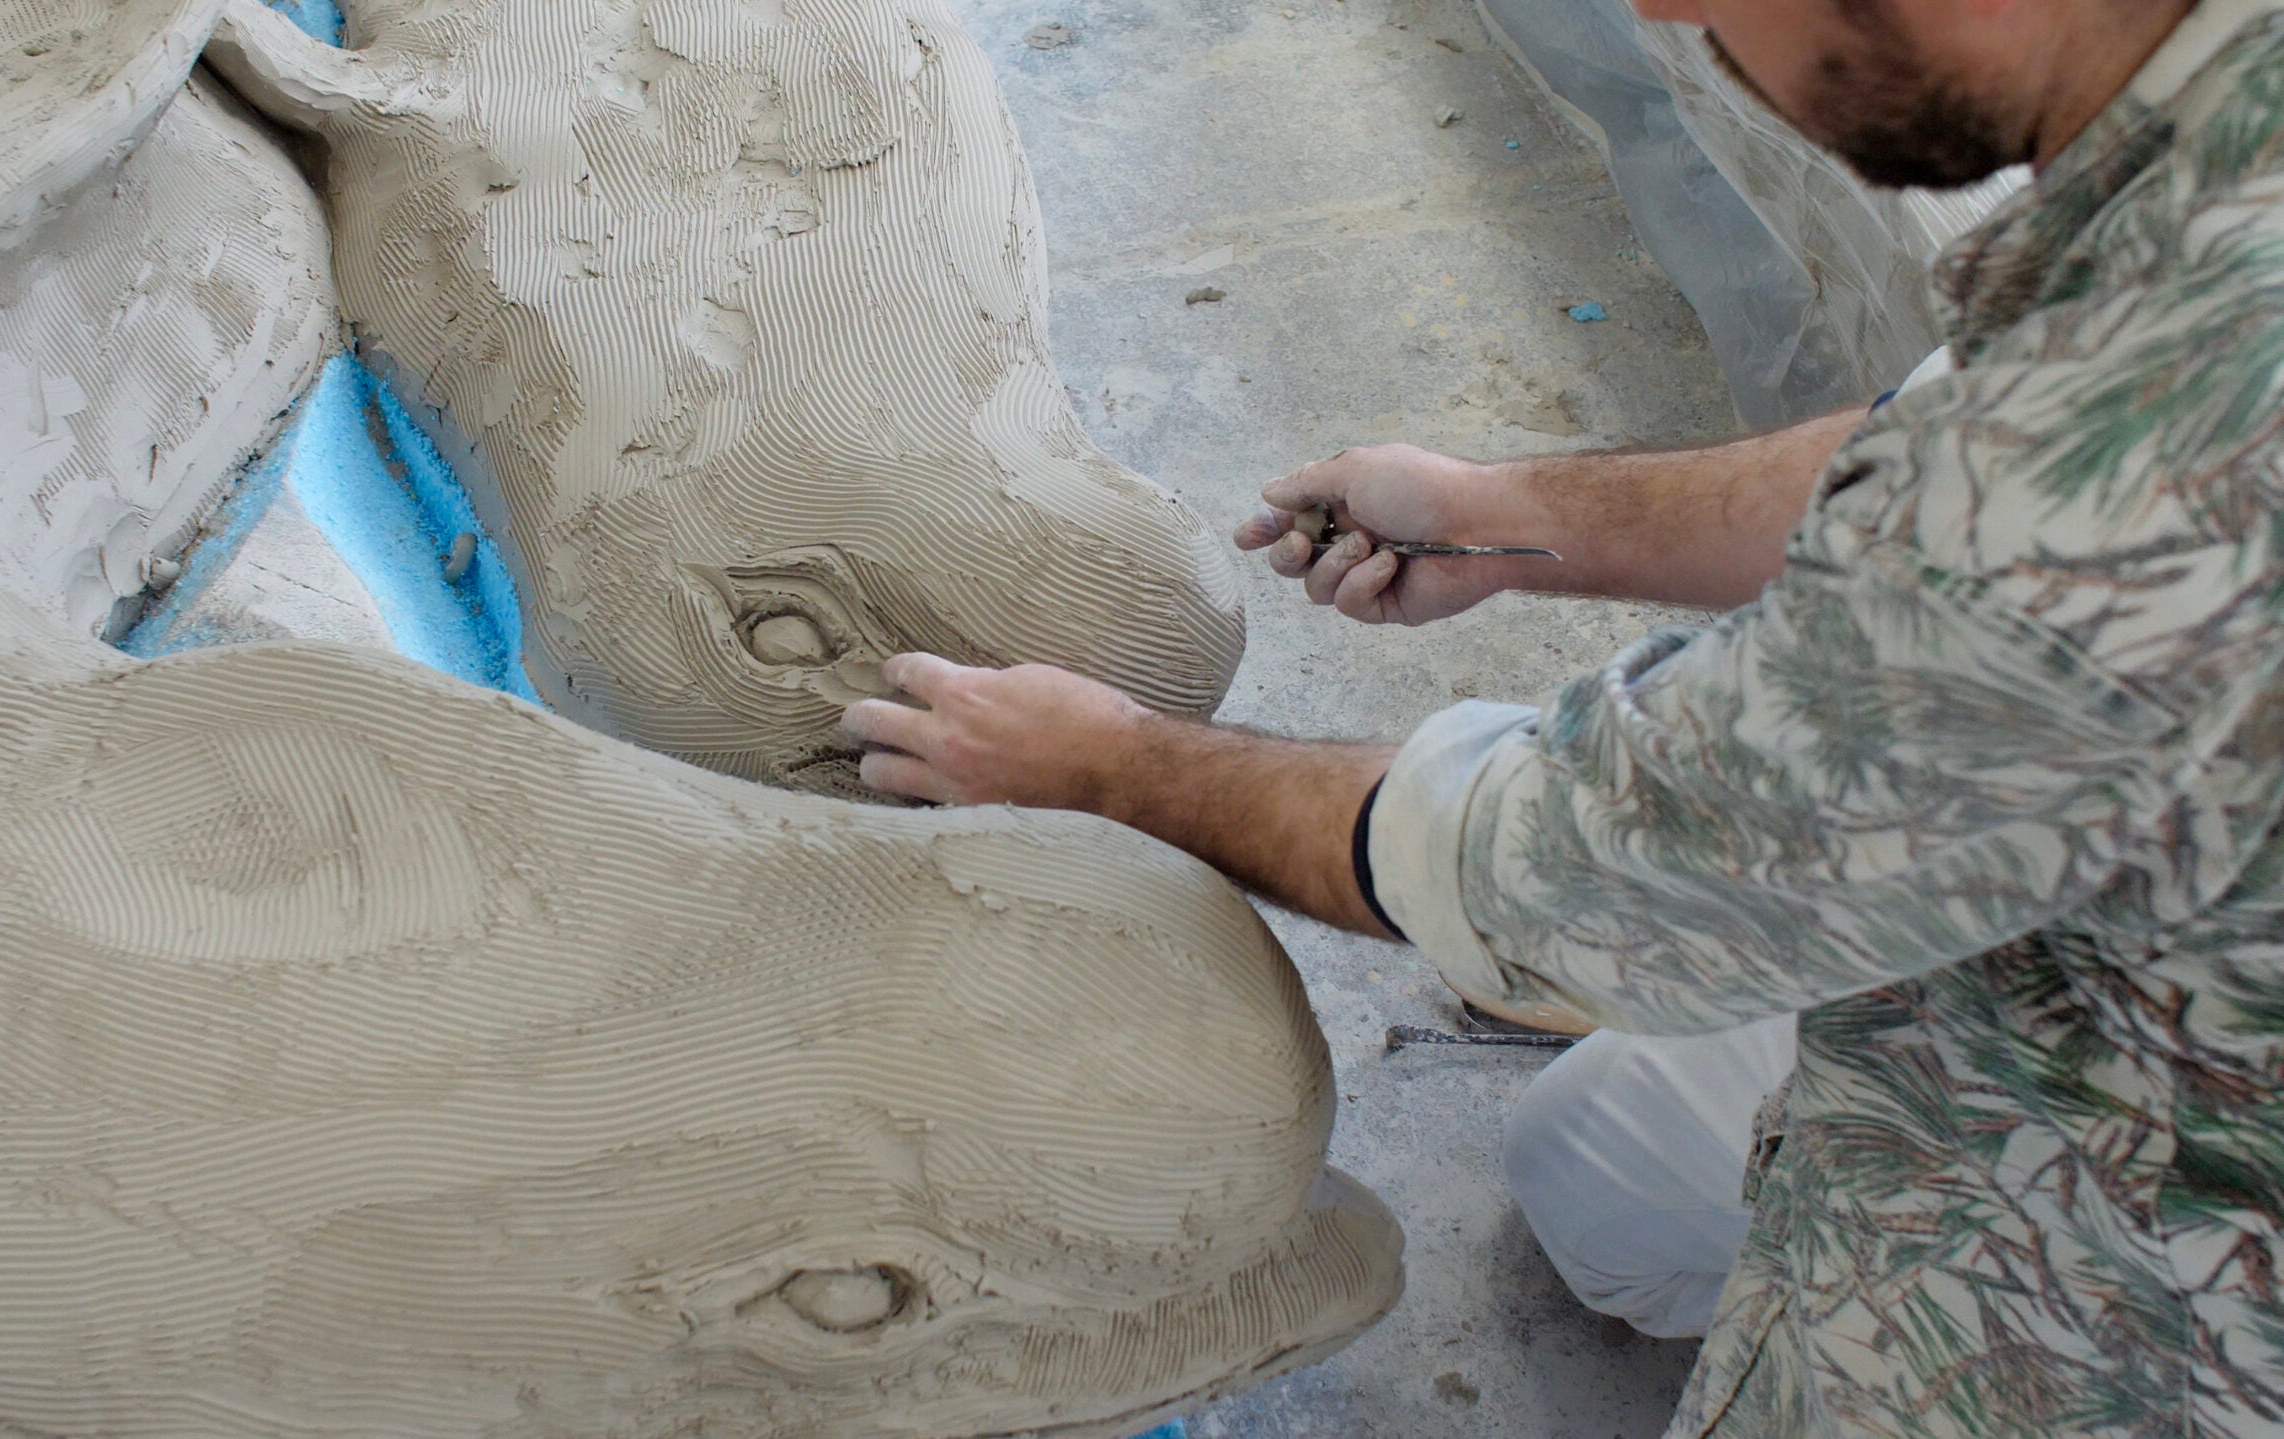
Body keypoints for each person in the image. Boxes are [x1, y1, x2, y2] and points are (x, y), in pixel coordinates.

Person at [840, 0, 2284, 1431]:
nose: (1661, 7)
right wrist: (1503, 514)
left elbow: (1577, 872)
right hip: (2132, 877)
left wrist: (1114, 765)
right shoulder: (2201, 171)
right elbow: (1940, 445)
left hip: (2184, 1240)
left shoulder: (2159, 466)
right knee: (1592, 1174)